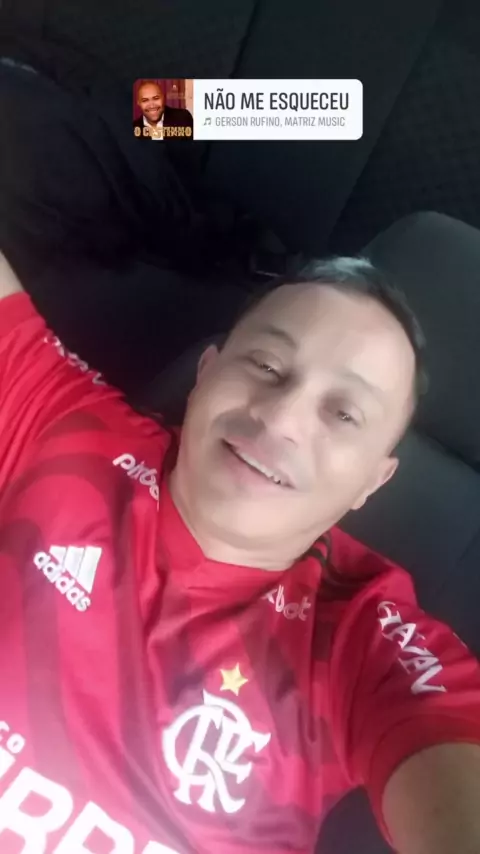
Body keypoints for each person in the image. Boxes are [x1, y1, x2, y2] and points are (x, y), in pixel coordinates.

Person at [0, 249, 479, 854]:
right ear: (206, 373)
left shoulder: (366, 642)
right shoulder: (63, 428)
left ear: (373, 481)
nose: (280, 419)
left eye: (343, 413)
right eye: (267, 365)